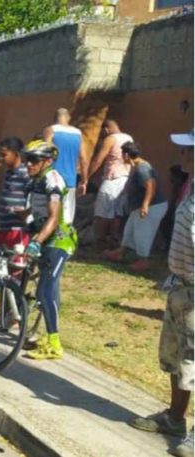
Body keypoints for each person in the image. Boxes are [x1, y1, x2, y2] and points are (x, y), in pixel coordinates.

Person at [128, 131, 193, 457]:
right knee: (175, 358)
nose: (182, 153)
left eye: (189, 149)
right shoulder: (190, 187)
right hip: (180, 287)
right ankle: (174, 419)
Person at [19, 140, 78, 360]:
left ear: (48, 161)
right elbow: (37, 212)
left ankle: (55, 344)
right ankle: (48, 334)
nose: (28, 164)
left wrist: (37, 241)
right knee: (49, 290)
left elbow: (54, 217)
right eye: (27, 160)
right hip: (45, 239)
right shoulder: (36, 180)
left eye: (33, 160)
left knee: (45, 289)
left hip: (58, 241)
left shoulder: (53, 179)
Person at [104, 142, 168, 271]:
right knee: (129, 230)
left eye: (122, 154)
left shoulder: (142, 168)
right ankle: (120, 253)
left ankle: (143, 261)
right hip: (140, 206)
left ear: (127, 155)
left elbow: (151, 185)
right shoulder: (137, 166)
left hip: (152, 206)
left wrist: (145, 205)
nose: (122, 157)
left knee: (143, 233)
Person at [87, 120, 133, 251]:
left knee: (102, 213)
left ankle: (100, 242)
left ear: (106, 129)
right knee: (117, 213)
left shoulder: (110, 139)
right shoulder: (128, 138)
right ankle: (113, 240)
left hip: (112, 179)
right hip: (125, 179)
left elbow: (98, 160)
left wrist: (86, 178)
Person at [44, 108, 87, 224]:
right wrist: (84, 181)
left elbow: (45, 153)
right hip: (70, 180)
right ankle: (66, 239)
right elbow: (83, 158)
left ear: (54, 118)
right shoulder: (78, 133)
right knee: (67, 214)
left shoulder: (51, 130)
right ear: (68, 118)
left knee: (51, 213)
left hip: (53, 179)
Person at [0, 137, 31, 255]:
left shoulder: (25, 174)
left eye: (4, 155)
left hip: (17, 227)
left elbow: (31, 197)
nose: (1, 158)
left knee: (15, 260)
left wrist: (25, 213)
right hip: (4, 225)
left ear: (16, 154)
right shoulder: (8, 172)